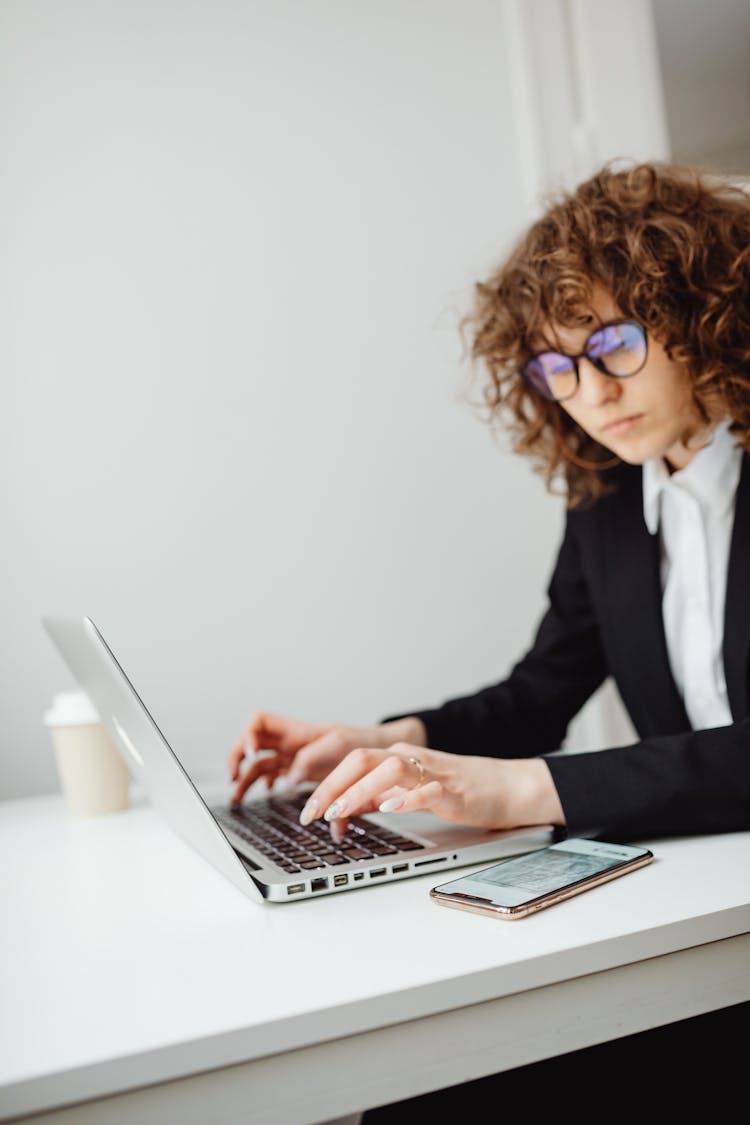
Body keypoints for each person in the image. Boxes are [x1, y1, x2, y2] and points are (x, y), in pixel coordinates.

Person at [227, 160, 750, 1116]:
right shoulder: (607, 501)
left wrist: (524, 787)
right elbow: (540, 691)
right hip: (706, 899)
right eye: (555, 367)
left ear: (702, 312)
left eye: (615, 343)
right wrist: (389, 740)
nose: (588, 391)